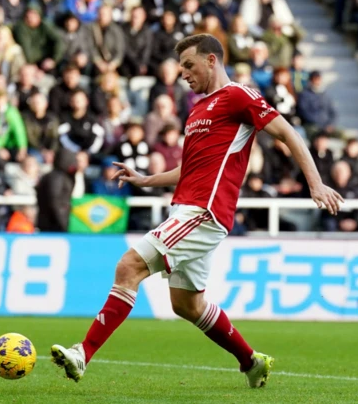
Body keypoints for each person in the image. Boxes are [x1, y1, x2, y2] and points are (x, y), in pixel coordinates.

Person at [50, 34, 343, 388]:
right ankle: (251, 361)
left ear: (211, 61)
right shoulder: (198, 110)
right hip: (185, 211)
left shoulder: (240, 96)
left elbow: (288, 134)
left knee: (128, 266)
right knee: (186, 305)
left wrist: (315, 183)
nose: (183, 74)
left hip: (204, 212)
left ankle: (83, 353)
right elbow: (188, 167)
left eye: (189, 65)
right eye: (180, 68)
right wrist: (146, 180)